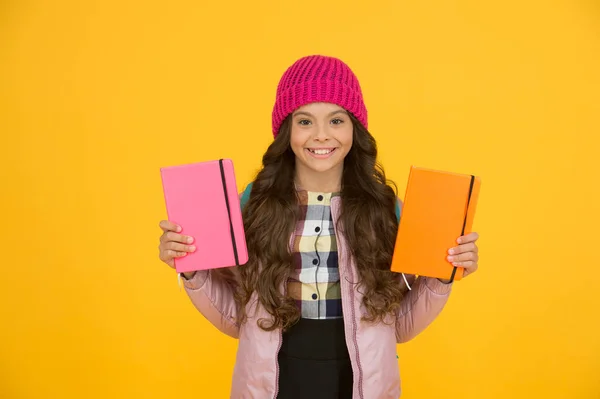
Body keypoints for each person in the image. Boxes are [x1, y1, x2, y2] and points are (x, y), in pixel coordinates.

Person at [158, 55, 480, 399]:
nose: (322, 135)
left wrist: (444, 273)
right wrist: (191, 269)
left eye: (336, 120)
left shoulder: (385, 210)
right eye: (305, 121)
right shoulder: (252, 204)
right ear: (287, 130)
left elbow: (399, 327)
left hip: (360, 386)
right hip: (272, 385)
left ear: (354, 129)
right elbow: (239, 319)